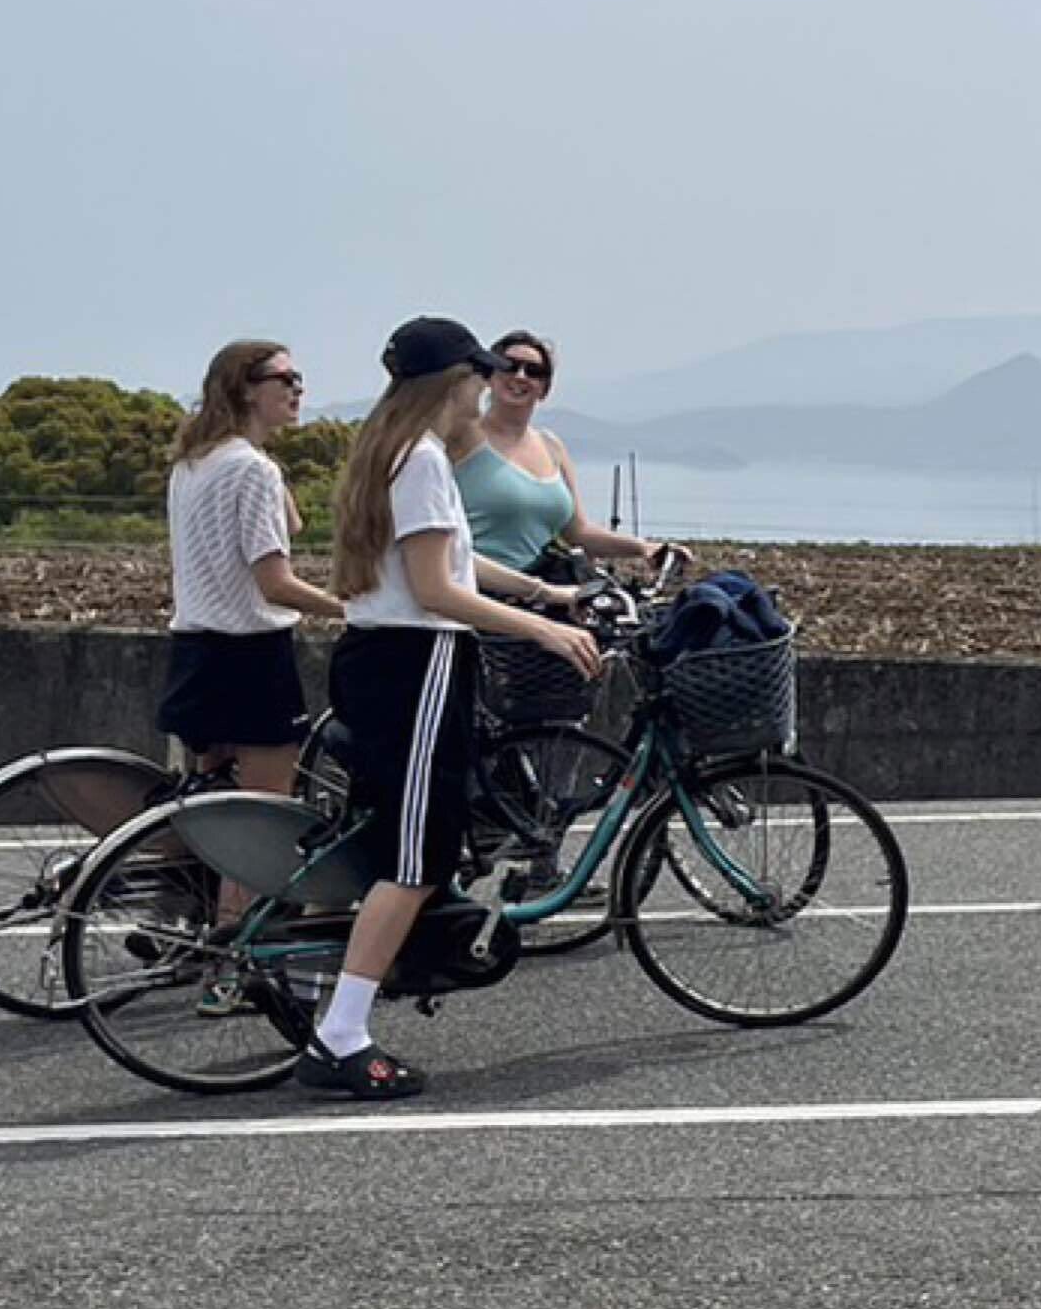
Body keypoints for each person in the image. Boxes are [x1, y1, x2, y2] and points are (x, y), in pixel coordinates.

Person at [307, 316, 606, 1099]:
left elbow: (459, 564)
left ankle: (355, 989)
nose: (486, 389)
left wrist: (545, 590)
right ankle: (339, 1036)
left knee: (402, 848)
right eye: (478, 375)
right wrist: (543, 629)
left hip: (381, 660)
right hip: (418, 665)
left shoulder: (388, 452)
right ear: (452, 383)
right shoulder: (425, 462)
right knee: (415, 860)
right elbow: (440, 591)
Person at [159, 340, 341, 792]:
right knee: (263, 815)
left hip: (196, 652)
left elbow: (293, 524)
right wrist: (347, 609)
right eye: (285, 379)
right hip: (251, 656)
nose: (297, 390)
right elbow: (275, 584)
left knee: (211, 809)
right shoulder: (251, 470)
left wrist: (265, 457)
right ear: (246, 390)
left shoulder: (195, 462)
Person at [457, 329, 677, 587]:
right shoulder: (461, 439)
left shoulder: (551, 447)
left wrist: (645, 548)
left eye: (534, 371)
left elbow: (577, 531)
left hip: (543, 591)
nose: (520, 376)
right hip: (479, 592)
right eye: (509, 366)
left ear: (544, 388)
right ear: (489, 377)